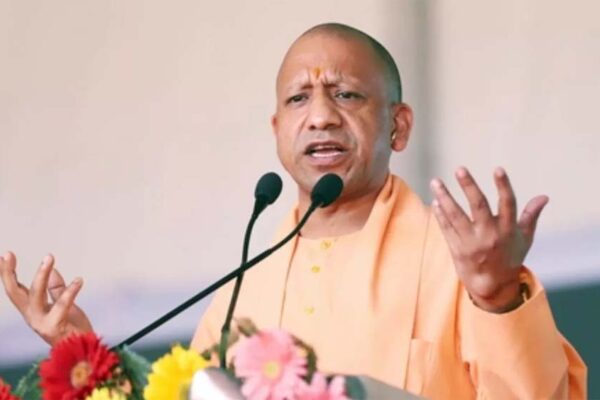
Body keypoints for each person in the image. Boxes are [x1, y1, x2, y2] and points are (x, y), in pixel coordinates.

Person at [0, 23, 586, 398]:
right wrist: (88, 355)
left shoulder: (460, 263)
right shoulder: (246, 287)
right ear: (278, 129)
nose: (321, 116)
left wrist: (497, 298)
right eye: (299, 98)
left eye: (346, 94)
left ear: (398, 126)